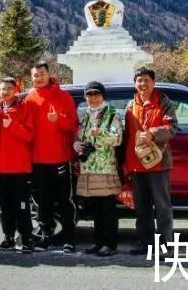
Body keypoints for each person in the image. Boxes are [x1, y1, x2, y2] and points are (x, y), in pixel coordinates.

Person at [25, 61, 79, 252]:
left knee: (65, 200)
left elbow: (73, 125)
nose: (38, 78)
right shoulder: (30, 99)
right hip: (37, 160)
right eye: (35, 75)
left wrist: (59, 120)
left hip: (59, 158)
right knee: (42, 201)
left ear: (49, 74)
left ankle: (69, 238)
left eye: (41, 73)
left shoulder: (63, 97)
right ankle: (46, 235)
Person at [124, 67, 178, 255]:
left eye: (146, 80)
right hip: (136, 165)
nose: (142, 84)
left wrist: (153, 134)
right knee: (142, 207)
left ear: (153, 82)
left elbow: (172, 127)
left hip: (158, 164)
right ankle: (146, 242)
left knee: (162, 206)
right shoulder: (130, 106)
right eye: (139, 80)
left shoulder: (163, 102)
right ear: (135, 83)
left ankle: (165, 245)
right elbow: (126, 136)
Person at [74, 81, 123, 257]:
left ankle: (110, 244)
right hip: (89, 168)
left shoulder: (112, 114)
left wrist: (99, 134)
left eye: (96, 94)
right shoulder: (85, 116)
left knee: (107, 208)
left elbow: (117, 138)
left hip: (105, 168)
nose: (93, 98)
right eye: (89, 95)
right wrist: (78, 146)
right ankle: (98, 242)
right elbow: (78, 137)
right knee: (95, 208)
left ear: (103, 96)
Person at [0, 77, 35, 253]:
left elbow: (30, 136)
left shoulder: (25, 107)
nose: (6, 92)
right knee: (5, 206)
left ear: (15, 89)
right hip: (2, 167)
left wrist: (13, 125)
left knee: (22, 206)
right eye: (2, 89)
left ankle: (27, 239)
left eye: (9, 88)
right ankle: (8, 238)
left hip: (20, 168)